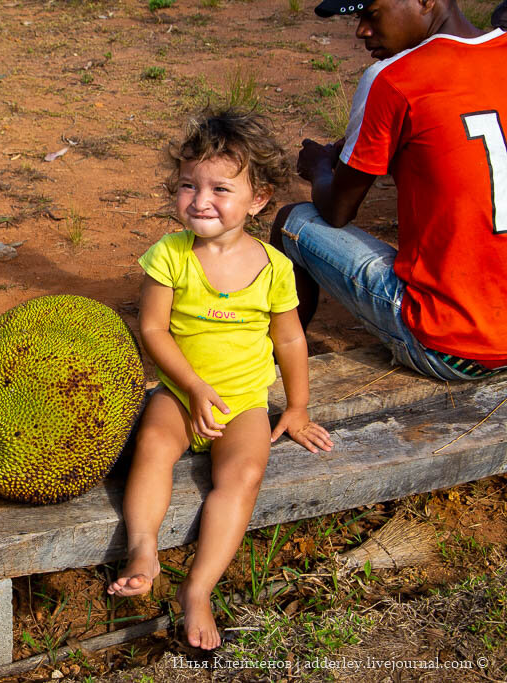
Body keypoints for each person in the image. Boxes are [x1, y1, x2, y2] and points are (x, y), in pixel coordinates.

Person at [108, 110, 333, 649]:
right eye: (188, 185)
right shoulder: (169, 256)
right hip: (181, 392)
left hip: (246, 401)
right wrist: (190, 386)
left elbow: (290, 341)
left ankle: (200, 588)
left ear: (258, 199)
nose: (200, 199)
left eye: (219, 188)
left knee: (245, 474)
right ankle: (143, 547)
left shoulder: (276, 267)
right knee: (155, 442)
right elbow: (153, 330)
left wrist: (296, 407)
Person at [270, 0, 507, 380]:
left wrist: (317, 169)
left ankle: (274, 370)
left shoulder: (394, 78)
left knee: (292, 221)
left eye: (372, 13)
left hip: (455, 347)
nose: (361, 31)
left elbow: (337, 209)